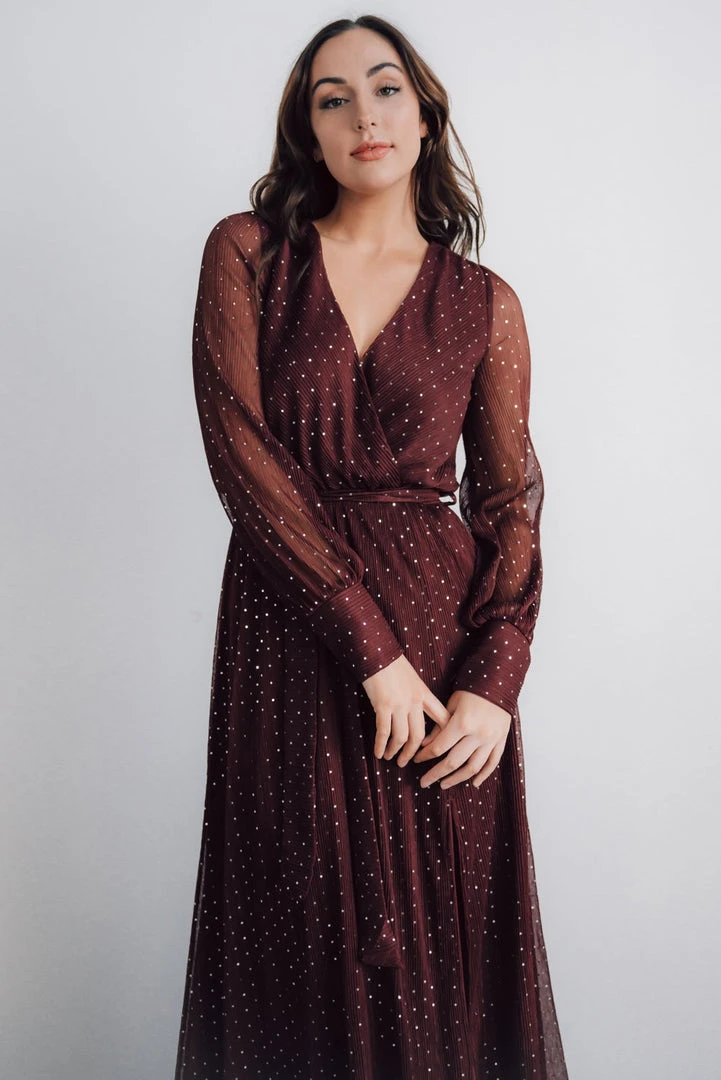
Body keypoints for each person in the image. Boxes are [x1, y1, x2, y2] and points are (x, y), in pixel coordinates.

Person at [174, 14, 568, 1080]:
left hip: (446, 665)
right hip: (292, 635)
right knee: (303, 939)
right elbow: (240, 455)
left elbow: (510, 502)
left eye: (385, 88)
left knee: (442, 960)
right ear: (306, 130)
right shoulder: (249, 255)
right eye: (331, 97)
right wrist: (368, 648)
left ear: (425, 115)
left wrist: (495, 679)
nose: (363, 115)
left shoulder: (484, 304)